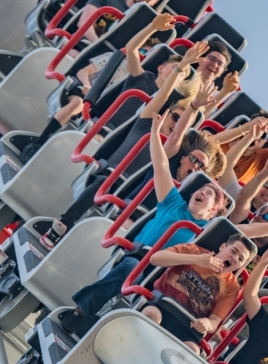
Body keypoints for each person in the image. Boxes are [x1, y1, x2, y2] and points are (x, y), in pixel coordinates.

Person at [38, 44, 210, 250]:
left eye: (180, 122)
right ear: (165, 114)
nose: (175, 123)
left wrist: (193, 108)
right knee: (105, 182)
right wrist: (182, 65)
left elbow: (179, 132)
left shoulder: (167, 149)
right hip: (105, 175)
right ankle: (63, 224)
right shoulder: (145, 123)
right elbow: (163, 95)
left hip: (125, 193)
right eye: (174, 117)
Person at [65, 116, 232, 323]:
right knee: (129, 270)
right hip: (140, 258)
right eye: (201, 190)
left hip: (165, 276)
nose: (203, 193)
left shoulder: (207, 231)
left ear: (214, 210)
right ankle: (79, 313)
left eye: (210, 194)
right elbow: (161, 164)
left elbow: (242, 236)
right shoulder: (173, 202)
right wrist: (155, 132)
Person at [141, 234, 256, 352]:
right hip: (163, 304)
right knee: (152, 314)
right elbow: (155, 259)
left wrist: (207, 323)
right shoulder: (194, 251)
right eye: (233, 251)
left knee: (192, 350)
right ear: (222, 247)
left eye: (240, 259)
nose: (235, 258)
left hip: (188, 325)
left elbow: (215, 321)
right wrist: (195, 259)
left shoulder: (231, 287)